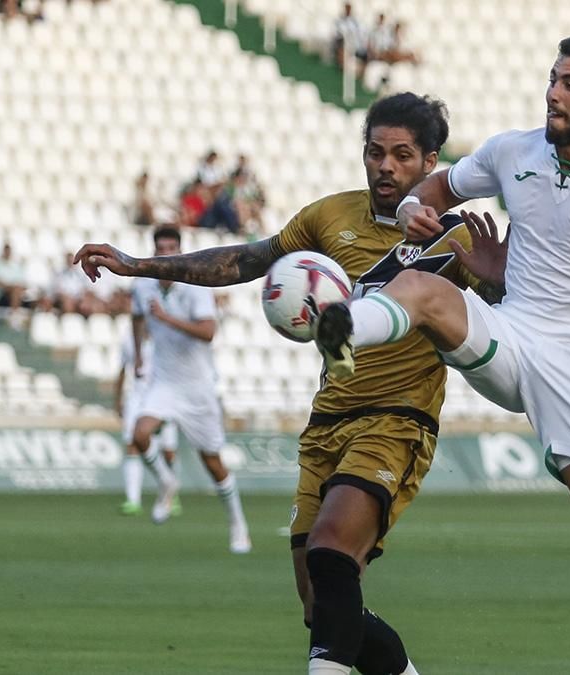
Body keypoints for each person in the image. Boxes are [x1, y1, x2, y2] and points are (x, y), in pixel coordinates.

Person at [74, 92, 492, 675]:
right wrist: (141, 266)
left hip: (399, 418)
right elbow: (248, 259)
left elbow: (515, 323)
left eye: (402, 155)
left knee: (330, 549)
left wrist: (495, 275)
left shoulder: (459, 238)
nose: (386, 167)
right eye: (375, 152)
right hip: (329, 420)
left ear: (431, 162)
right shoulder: (330, 216)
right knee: (321, 606)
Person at [311, 38, 570, 644]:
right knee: (422, 287)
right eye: (553, 78)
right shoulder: (513, 151)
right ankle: (344, 332)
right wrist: (416, 208)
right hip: (513, 330)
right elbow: (438, 189)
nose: (552, 92)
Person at [126, 227, 250, 551]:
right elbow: (137, 317)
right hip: (164, 382)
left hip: (197, 387)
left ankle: (238, 523)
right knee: (139, 435)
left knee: (213, 462)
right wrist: (139, 354)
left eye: (172, 247)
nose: (166, 252)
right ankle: (167, 482)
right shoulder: (143, 286)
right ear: (153, 250)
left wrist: (166, 319)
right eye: (161, 247)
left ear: (181, 250)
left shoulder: (196, 286)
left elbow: (209, 332)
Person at [115, 331, 182, 517]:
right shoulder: (128, 340)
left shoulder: (166, 337)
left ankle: (172, 495)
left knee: (168, 450)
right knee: (132, 446)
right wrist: (118, 399)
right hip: (136, 399)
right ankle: (133, 500)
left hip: (163, 397)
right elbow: (122, 370)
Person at [332, 2, 369, 81]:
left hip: (354, 44)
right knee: (341, 46)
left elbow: (358, 34)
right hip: (343, 43)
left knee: (366, 53)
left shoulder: (355, 22)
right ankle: (343, 67)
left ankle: (361, 74)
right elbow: (338, 34)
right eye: (347, 8)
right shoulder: (339, 21)